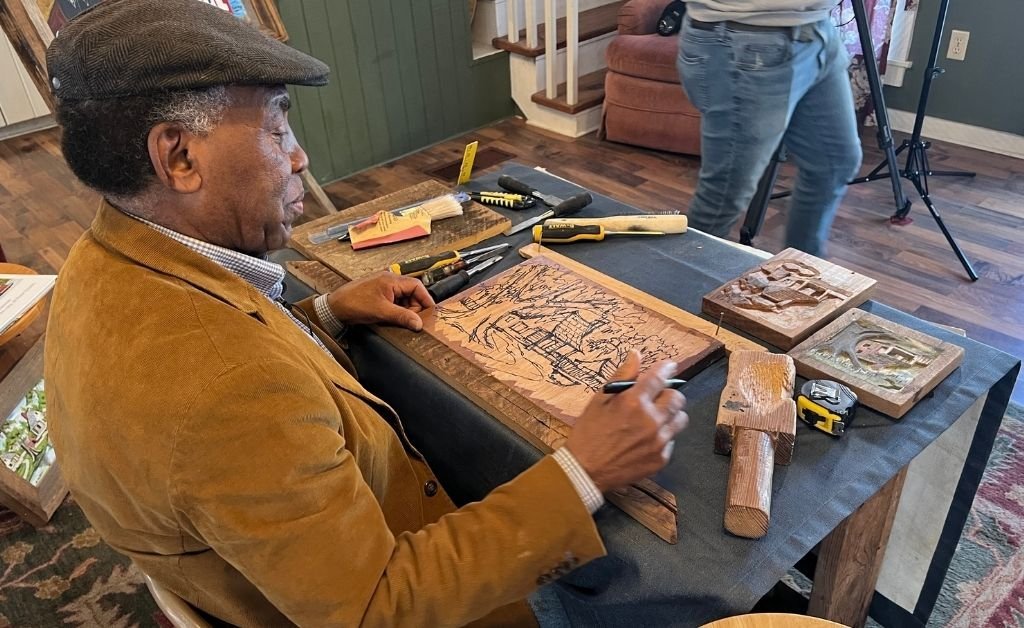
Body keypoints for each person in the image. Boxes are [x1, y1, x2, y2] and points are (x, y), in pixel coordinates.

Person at [43, 0, 689, 625]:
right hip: (395, 591)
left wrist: (322, 312)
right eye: (276, 126)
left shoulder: (98, 264)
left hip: (271, 564)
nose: (299, 157)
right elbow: (381, 608)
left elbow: (229, 347)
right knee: (668, 579)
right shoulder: (223, 391)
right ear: (179, 158)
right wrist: (586, 471)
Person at [676, 1, 864, 256]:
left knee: (834, 162)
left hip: (815, 28)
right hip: (746, 37)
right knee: (724, 196)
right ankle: (676, 289)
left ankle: (800, 276)